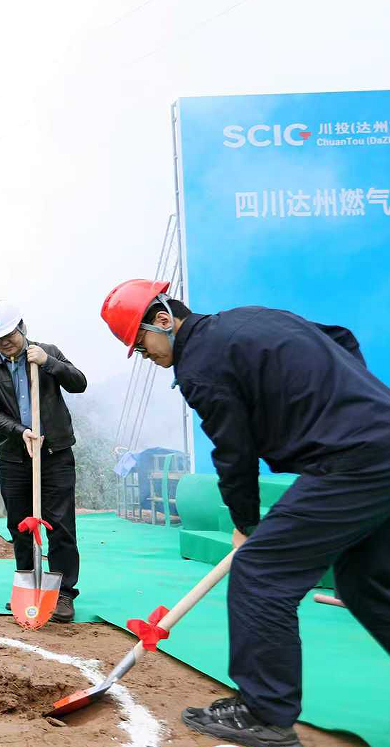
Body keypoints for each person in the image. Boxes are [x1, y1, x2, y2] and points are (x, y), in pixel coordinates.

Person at [101, 279, 390, 747]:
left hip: (348, 461)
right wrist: (354, 407)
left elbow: (234, 453)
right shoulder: (247, 319)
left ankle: (264, 714)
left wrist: (244, 525)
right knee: (367, 581)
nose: (143, 355)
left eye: (140, 342)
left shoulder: (200, 366)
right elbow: (342, 339)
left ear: (163, 320)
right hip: (378, 442)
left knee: (261, 573)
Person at [0, 299, 86, 623]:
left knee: (60, 524)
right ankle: (27, 586)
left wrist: (50, 363)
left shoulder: (47, 352)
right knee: (19, 525)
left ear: (21, 327)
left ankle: (63, 593)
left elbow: (79, 383)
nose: (4, 342)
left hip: (55, 453)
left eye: (9, 334)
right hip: (13, 457)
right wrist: (20, 431)